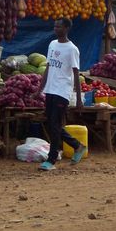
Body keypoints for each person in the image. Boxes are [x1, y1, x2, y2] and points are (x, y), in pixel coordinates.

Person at [38, 18, 86, 171]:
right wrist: (39, 89)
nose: (55, 28)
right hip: (50, 89)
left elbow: (76, 74)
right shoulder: (52, 44)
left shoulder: (72, 49)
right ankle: (77, 145)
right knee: (52, 124)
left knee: (54, 124)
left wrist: (78, 98)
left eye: (59, 26)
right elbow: (48, 68)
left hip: (62, 91)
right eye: (55, 26)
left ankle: (51, 160)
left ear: (66, 28)